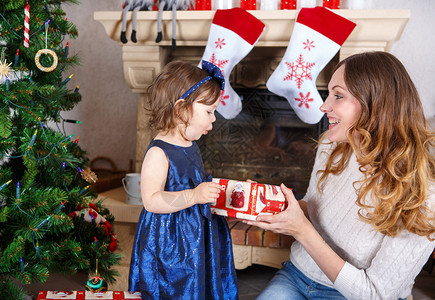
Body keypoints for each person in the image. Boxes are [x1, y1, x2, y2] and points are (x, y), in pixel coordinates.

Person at [247, 51, 435, 300]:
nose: (324, 106)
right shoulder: (331, 146)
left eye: (338, 96)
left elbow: (375, 294)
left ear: (376, 105)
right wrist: (267, 202)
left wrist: (302, 231)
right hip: (299, 274)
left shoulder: (424, 194)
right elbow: (315, 212)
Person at [128, 60, 238, 299]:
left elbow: (193, 182)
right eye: (209, 112)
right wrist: (194, 195)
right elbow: (151, 200)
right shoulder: (159, 152)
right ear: (181, 109)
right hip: (170, 241)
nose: (214, 119)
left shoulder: (190, 144)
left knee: (199, 283)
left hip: (194, 234)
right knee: (174, 287)